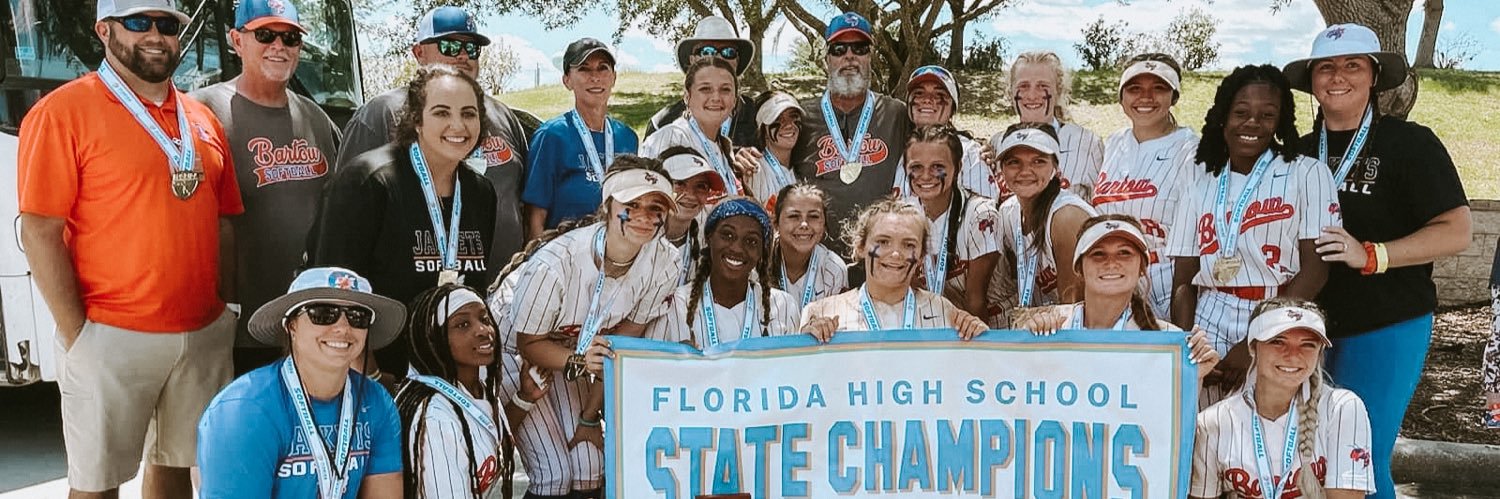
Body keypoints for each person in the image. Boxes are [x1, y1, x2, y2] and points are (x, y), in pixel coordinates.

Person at [18, 0, 242, 495]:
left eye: (168, 25)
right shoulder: (62, 111)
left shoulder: (201, 117)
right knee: (97, 484)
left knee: (178, 472)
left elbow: (224, 221)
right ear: (104, 30)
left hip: (202, 332)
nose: (156, 36)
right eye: (138, 23)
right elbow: (39, 231)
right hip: (110, 333)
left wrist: (225, 308)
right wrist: (78, 334)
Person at [1283, 23, 1472, 499]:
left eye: (1353, 65)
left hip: (1386, 323)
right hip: (1305, 328)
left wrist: (1372, 253)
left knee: (1358, 459)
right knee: (1305, 459)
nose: (1338, 76)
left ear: (1373, 77)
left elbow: (1457, 231)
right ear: (1312, 81)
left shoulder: (1409, 144)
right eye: (1326, 67)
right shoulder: (1297, 154)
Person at [504, 157, 682, 498]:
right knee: (553, 472)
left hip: (575, 354)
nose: (644, 216)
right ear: (608, 205)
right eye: (632, 205)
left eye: (655, 207)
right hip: (516, 353)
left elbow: (620, 341)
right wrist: (581, 362)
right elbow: (528, 343)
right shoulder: (557, 262)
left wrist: (588, 417)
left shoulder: (665, 261)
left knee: (589, 464)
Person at [307, 64, 498, 380]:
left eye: (468, 113)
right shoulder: (368, 181)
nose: (457, 125)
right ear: (416, 120)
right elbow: (336, 295)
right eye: (441, 112)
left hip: (449, 378)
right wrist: (371, 378)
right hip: (379, 378)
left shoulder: (481, 193)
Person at [190, 0, 341, 375]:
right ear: (236, 41)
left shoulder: (315, 117)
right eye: (265, 35)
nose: (279, 46)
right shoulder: (201, 111)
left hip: (308, 323)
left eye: (289, 37)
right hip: (236, 328)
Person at [1166, 65, 1340, 362]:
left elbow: (1316, 270)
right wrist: (1187, 347)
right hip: (1209, 314)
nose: (1252, 123)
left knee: (1275, 408)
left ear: (1281, 121)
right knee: (1204, 408)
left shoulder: (1308, 172)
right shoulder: (1201, 182)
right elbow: (1183, 280)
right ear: (1223, 117)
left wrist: (1260, 335)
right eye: (1240, 112)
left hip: (1282, 312)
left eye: (1268, 115)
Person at [337, 6, 532, 268]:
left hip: (502, 291)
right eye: (450, 46)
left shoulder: (502, 115)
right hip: (410, 295)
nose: (463, 55)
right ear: (419, 53)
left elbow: (525, 200)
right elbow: (345, 210)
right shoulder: (381, 112)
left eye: (472, 48)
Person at [197, 267, 405, 498]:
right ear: (291, 325)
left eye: (358, 317)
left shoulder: (376, 402)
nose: (344, 327)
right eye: (323, 313)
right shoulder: (244, 409)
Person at [1190, 298, 1376, 499]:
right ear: (1252, 347)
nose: (1292, 355)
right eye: (1277, 342)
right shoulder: (1213, 422)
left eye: (1307, 345)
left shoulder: (1342, 408)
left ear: (1320, 352)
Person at [1011, 215, 1219, 380]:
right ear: (1079, 268)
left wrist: (1193, 375)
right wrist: (1027, 346)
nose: (1111, 262)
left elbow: (1173, 427)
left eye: (1124, 253)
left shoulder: (1168, 341)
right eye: (1098, 254)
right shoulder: (1049, 324)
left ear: (1141, 268)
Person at [395, 284, 549, 499]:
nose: (483, 330)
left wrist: (524, 398)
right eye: (463, 324)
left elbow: (487, 438)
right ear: (434, 338)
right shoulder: (435, 417)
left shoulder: (478, 386)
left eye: (484, 319)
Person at [789, 11, 911, 254]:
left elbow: (936, 141)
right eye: (839, 49)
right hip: (816, 257)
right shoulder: (800, 115)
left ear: (870, 57)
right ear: (827, 59)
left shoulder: (896, 114)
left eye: (860, 48)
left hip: (881, 255)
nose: (849, 57)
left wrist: (979, 149)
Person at [1093, 53, 1200, 314]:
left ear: (1174, 96)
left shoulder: (1192, 150)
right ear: (1121, 97)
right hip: (1110, 278)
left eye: (1159, 88)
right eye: (1134, 88)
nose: (1145, 97)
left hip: (1163, 282)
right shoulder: (1114, 143)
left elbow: (1192, 243)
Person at [800, 198, 988, 341]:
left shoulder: (944, 311)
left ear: (922, 256)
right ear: (861, 247)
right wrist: (807, 344)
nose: (896, 254)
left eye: (908, 244)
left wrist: (978, 336)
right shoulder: (821, 313)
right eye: (883, 242)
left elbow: (966, 374)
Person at [522, 38, 638, 240]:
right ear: (567, 80)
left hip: (617, 253)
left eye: (603, 68)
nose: (595, 77)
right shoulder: (552, 135)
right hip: (563, 258)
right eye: (584, 69)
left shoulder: (627, 137)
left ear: (613, 77)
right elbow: (535, 217)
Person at [647, 198, 800, 348]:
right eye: (727, 235)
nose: (737, 248)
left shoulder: (784, 306)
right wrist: (678, 363)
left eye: (751, 241)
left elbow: (798, 369)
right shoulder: (673, 305)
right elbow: (647, 367)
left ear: (762, 250)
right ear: (709, 238)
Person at [992, 124, 1097, 320]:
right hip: (1045, 326)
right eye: (1014, 162)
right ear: (1001, 170)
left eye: (1038, 161)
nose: (1025, 171)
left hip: (1095, 332)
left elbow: (1074, 307)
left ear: (1055, 168)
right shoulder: (1008, 212)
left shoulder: (1066, 218)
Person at [902, 125, 1001, 319]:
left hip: (986, 328)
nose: (926, 175)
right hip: (933, 327)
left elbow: (976, 300)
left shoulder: (981, 215)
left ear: (958, 168)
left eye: (938, 167)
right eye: (916, 167)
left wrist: (970, 349)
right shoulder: (903, 216)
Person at [644, 15, 759, 146]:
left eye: (729, 52)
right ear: (692, 60)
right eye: (706, 51)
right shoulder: (661, 123)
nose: (718, 58)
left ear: (736, 62)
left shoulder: (761, 119)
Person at [1004, 50, 1103, 200]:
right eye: (1023, 86)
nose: (1032, 95)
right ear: (1011, 92)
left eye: (1042, 85)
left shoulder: (1087, 143)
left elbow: (1101, 208)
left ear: (1058, 91)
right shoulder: (999, 144)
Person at [640, 57, 744, 196]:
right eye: (705, 89)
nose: (716, 97)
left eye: (725, 89)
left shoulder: (723, 148)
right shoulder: (670, 138)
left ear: (734, 100)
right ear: (687, 97)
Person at [901, 65, 997, 199]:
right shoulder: (899, 146)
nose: (927, 100)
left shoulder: (970, 153)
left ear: (952, 108)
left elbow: (986, 211)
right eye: (919, 93)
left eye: (938, 95)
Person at [767, 183, 848, 314]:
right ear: (775, 222)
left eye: (814, 217)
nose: (804, 224)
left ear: (825, 225)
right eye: (794, 216)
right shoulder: (759, 261)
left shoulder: (834, 270)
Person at [658, 148, 729, 284]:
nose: (690, 195)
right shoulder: (638, 234)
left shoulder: (710, 236)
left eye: (701, 186)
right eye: (679, 183)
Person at [742, 92, 803, 203]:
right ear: (763, 130)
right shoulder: (753, 170)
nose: (789, 125)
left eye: (793, 116)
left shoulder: (805, 167)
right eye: (778, 119)